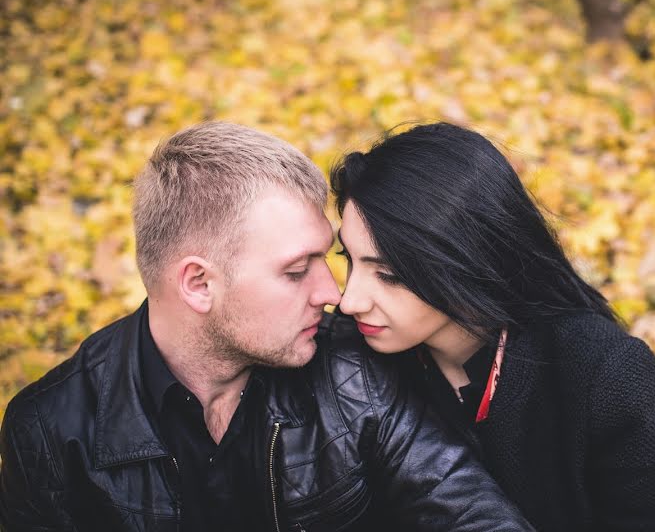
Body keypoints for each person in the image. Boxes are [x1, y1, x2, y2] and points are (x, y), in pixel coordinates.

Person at [0, 121, 534, 532]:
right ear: (199, 284)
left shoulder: (355, 367)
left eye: (329, 259)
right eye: (297, 271)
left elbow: (470, 512)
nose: (334, 297)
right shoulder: (50, 432)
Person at [330, 122, 655, 532]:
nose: (350, 300)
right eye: (349, 258)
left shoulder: (606, 375)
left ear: (464, 258)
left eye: (389, 275)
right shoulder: (349, 360)